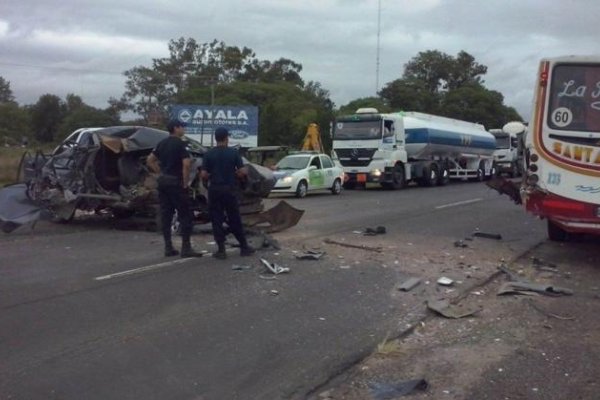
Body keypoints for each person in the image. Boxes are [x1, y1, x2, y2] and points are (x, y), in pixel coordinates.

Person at [146, 120, 203, 258]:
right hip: (176, 183)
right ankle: (186, 247)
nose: (183, 129)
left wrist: (160, 173)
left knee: (166, 214)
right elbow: (186, 164)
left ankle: (168, 247)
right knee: (186, 214)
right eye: (182, 127)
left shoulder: (162, 143)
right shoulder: (180, 144)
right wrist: (185, 182)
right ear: (175, 128)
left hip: (163, 182)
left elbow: (150, 160)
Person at [201, 127, 255, 259]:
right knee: (234, 218)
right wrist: (236, 174)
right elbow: (242, 172)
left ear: (215, 139)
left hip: (215, 190)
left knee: (217, 220)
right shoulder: (233, 153)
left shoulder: (208, 154)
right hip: (229, 190)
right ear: (227, 138)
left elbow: (203, 174)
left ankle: (221, 250)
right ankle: (244, 247)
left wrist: (209, 178)